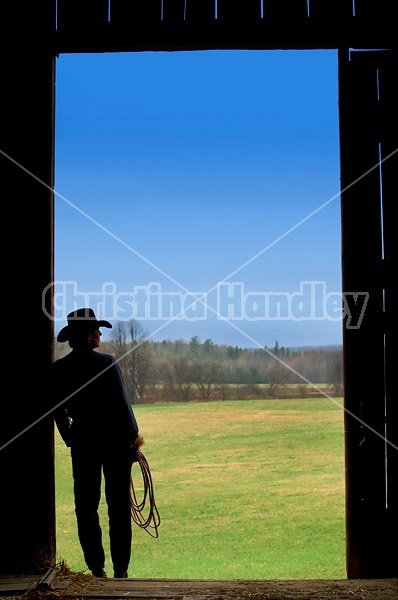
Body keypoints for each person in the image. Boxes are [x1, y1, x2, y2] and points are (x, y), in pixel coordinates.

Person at [50, 307, 141, 579]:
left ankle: (96, 568)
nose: (100, 333)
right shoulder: (107, 363)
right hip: (114, 443)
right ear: (89, 336)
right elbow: (123, 407)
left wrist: (70, 437)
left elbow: (57, 410)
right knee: (119, 507)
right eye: (96, 329)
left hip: (83, 444)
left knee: (86, 506)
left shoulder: (59, 369)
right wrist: (133, 440)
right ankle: (121, 570)